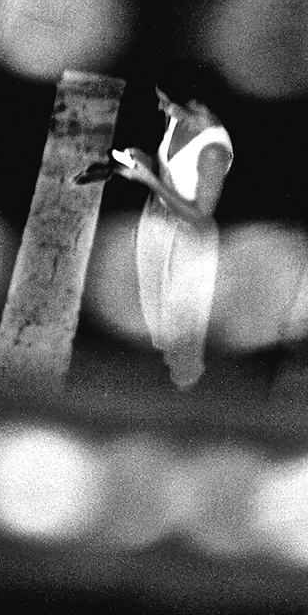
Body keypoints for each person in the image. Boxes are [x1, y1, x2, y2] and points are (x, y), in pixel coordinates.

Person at [77, 84, 234, 390]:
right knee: (152, 314)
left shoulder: (214, 150)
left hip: (189, 240)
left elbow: (199, 214)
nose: (163, 108)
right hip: (156, 225)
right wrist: (143, 161)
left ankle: (187, 387)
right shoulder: (178, 121)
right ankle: (154, 384)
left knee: (183, 324)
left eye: (168, 102)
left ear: (199, 104)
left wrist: (147, 179)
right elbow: (170, 168)